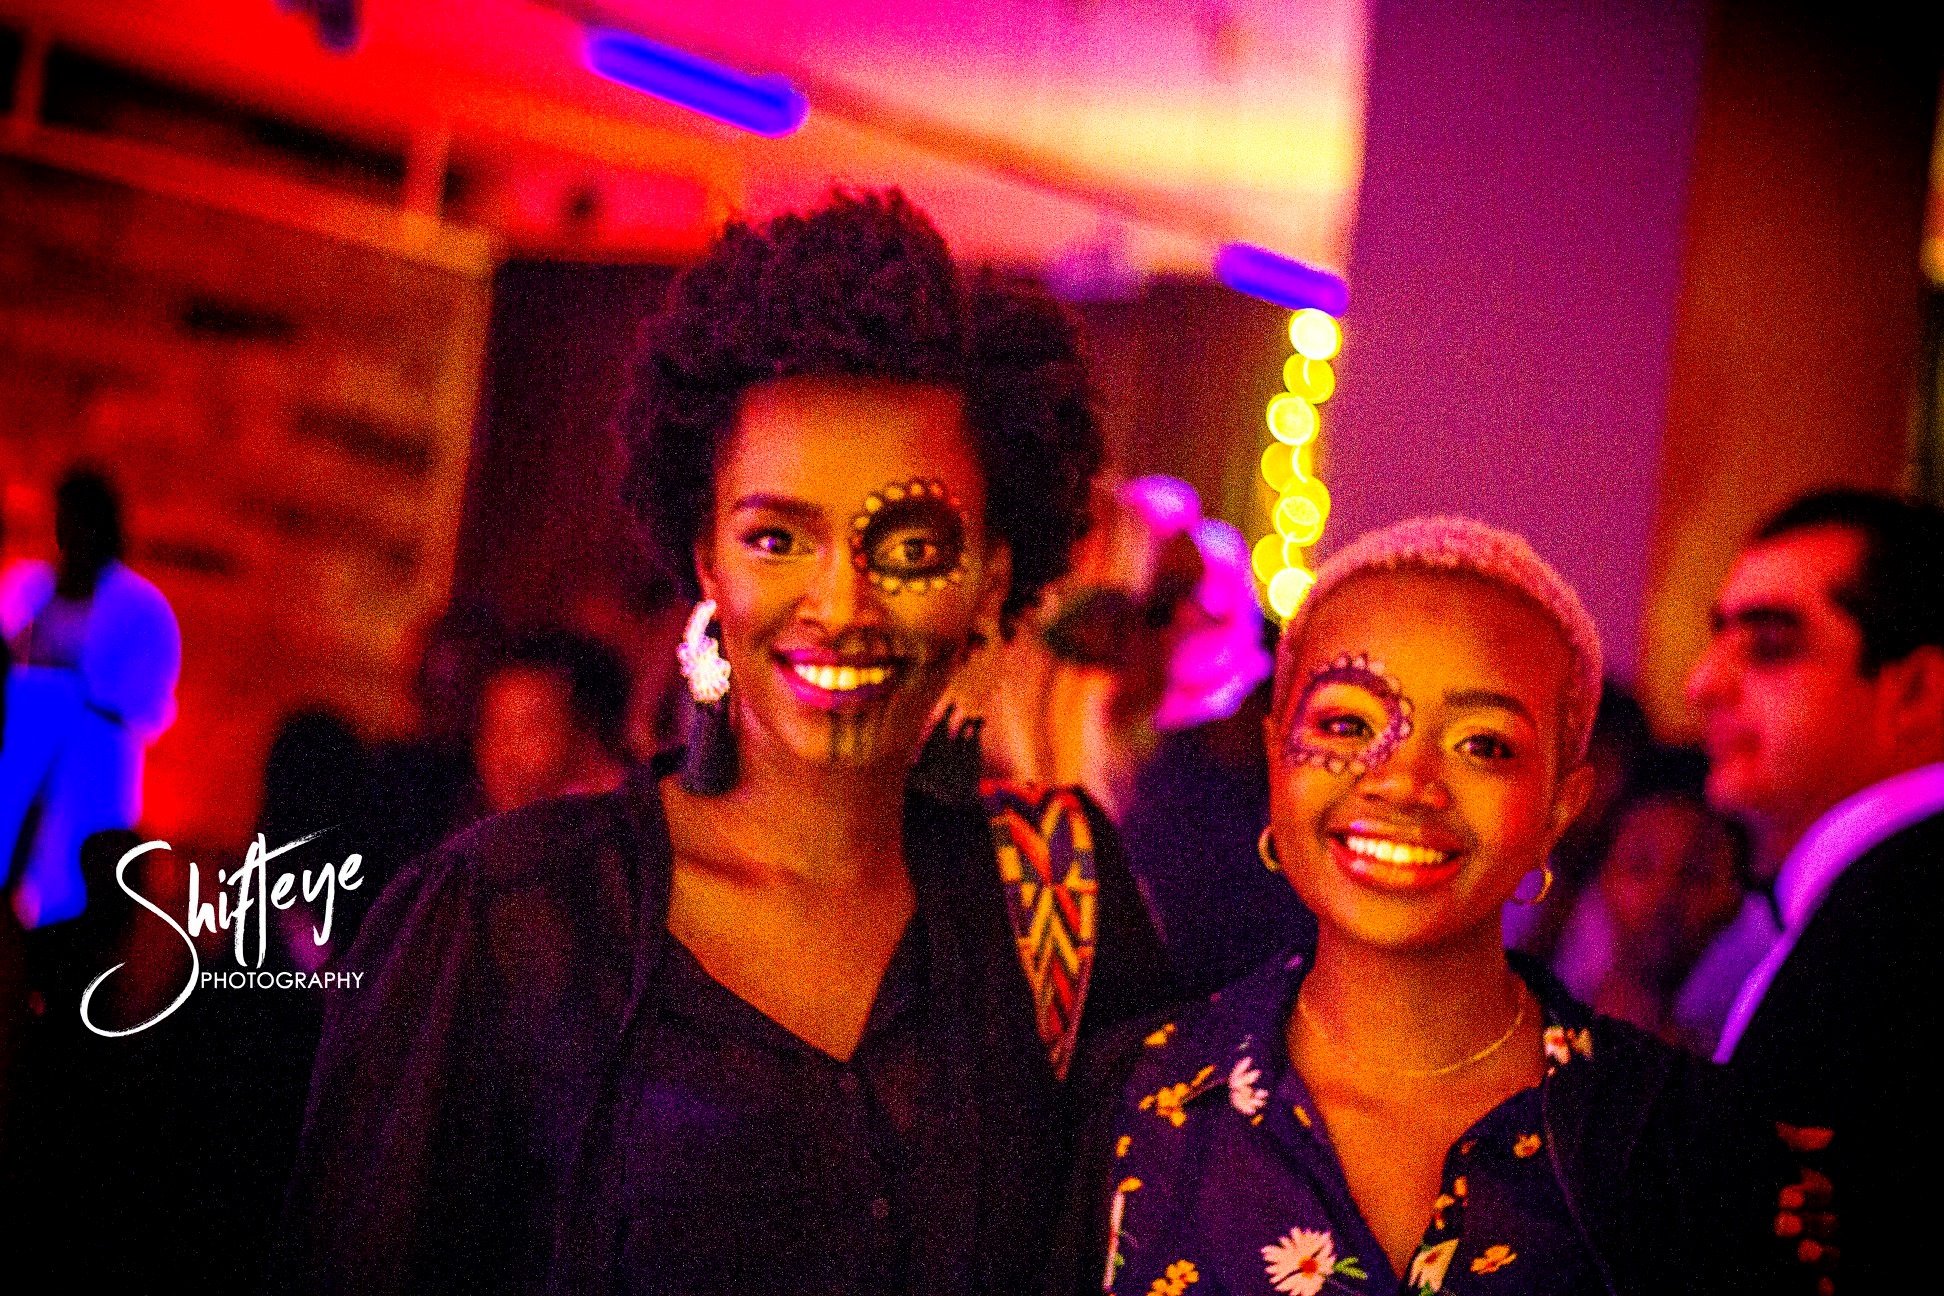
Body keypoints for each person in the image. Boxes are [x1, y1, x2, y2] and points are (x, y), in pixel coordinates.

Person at [280, 191, 1174, 1296]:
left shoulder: (1059, 910)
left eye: (909, 542)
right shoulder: (506, 923)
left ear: (993, 579)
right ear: (705, 560)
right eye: (776, 536)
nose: (841, 601)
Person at [1061, 517, 1818, 1296]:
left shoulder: (1670, 1140)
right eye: (1346, 724)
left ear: (1563, 805)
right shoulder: (1129, 1103)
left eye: (1483, 744)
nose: (1403, 782)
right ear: (1275, 756)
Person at [1687, 488, 1944, 1292]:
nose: (1703, 684)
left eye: (1768, 647)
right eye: (1716, 640)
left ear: (1913, 690)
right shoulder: (1864, 904)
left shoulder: (1909, 925)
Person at [0, 467, 180, 927]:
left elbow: (152, 706)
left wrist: (81, 695)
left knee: (69, 910)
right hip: (18, 768)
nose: (68, 534)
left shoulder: (142, 610)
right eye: (63, 520)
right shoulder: (26, 589)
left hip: (90, 781)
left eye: (79, 521)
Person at [473, 628, 634, 815]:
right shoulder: (495, 833)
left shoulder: (627, 822)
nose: (506, 755)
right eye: (492, 732)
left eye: (528, 730)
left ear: (585, 732)